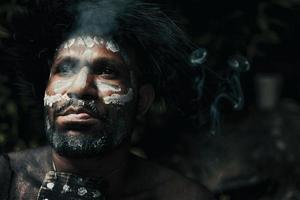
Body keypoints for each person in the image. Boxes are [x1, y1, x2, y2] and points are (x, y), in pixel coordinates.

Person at [0, 0, 214, 199]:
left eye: (107, 71)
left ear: (142, 101)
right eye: (64, 69)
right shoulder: (7, 180)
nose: (80, 87)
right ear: (45, 90)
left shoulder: (182, 196)